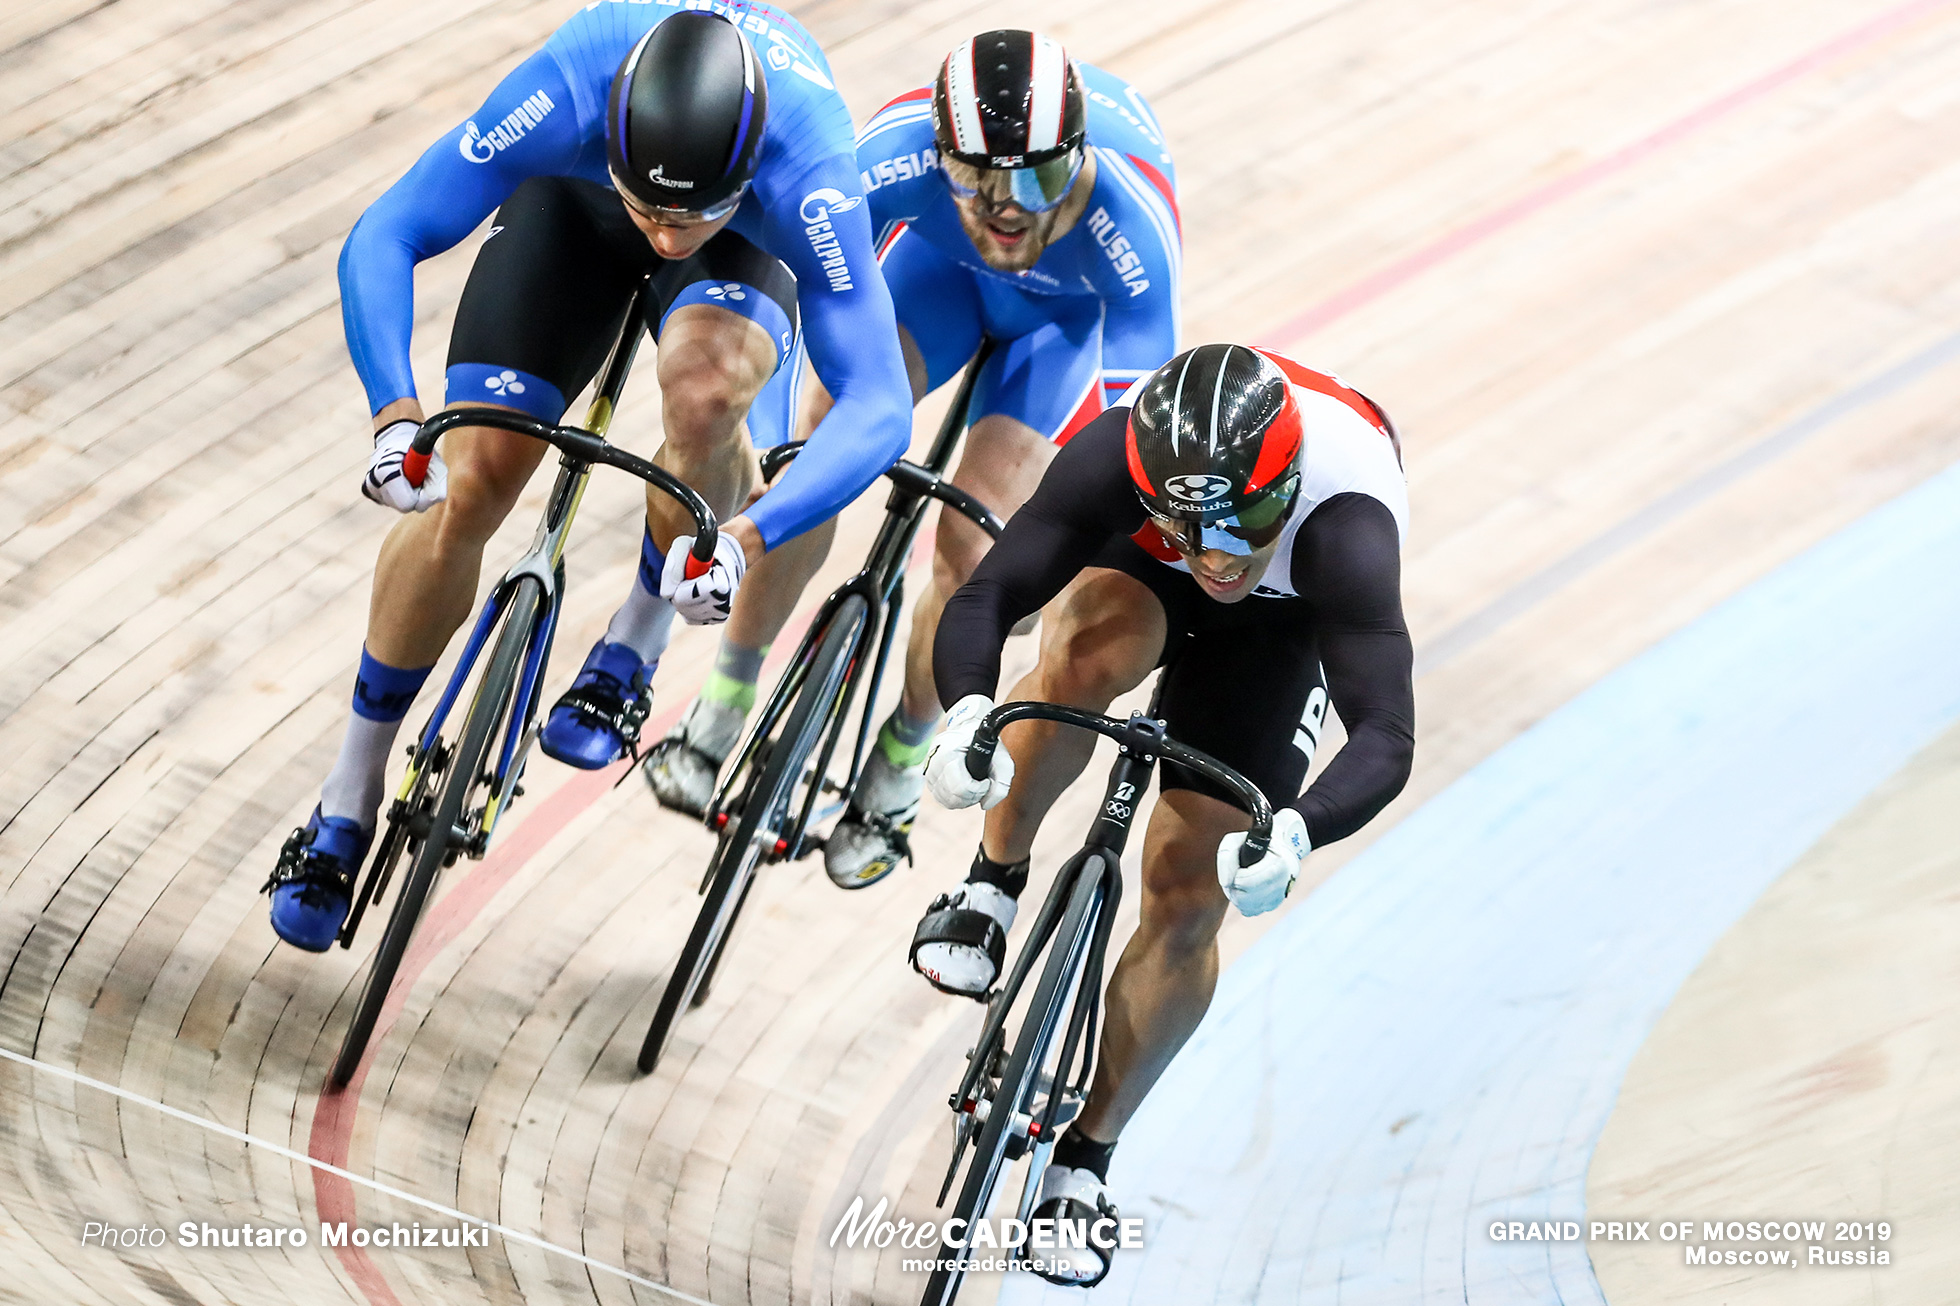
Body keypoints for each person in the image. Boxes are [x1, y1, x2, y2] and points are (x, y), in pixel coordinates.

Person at [262, 3, 910, 951]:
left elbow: (878, 404)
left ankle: (636, 641)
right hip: (572, 201)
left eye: (682, 215)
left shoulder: (808, 170)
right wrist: (395, 413)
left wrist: (743, 537)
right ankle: (349, 791)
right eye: (649, 205)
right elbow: (390, 228)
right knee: (476, 476)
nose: (661, 231)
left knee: (705, 391)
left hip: (740, 251)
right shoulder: (566, 89)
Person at [635, 29, 1182, 891]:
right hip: (935, 277)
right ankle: (725, 701)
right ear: (940, 154)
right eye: (975, 181)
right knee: (812, 467)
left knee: (980, 558)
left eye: (1035, 180)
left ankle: (896, 766)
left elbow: (1135, 410)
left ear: (1076, 163)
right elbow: (792, 280)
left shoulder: (1130, 220)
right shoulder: (895, 154)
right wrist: (791, 449)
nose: (1007, 210)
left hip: (1058, 334)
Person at [917, 344, 1415, 1285]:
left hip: (1283, 623)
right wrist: (964, 716)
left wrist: (1300, 826)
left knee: (1190, 897)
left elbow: (1386, 732)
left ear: (1284, 489)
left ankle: (1086, 1159)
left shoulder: (1345, 527)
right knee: (1079, 665)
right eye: (1190, 530)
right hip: (1136, 564)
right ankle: (992, 884)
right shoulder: (1119, 458)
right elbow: (991, 592)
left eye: (1235, 531)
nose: (1213, 558)